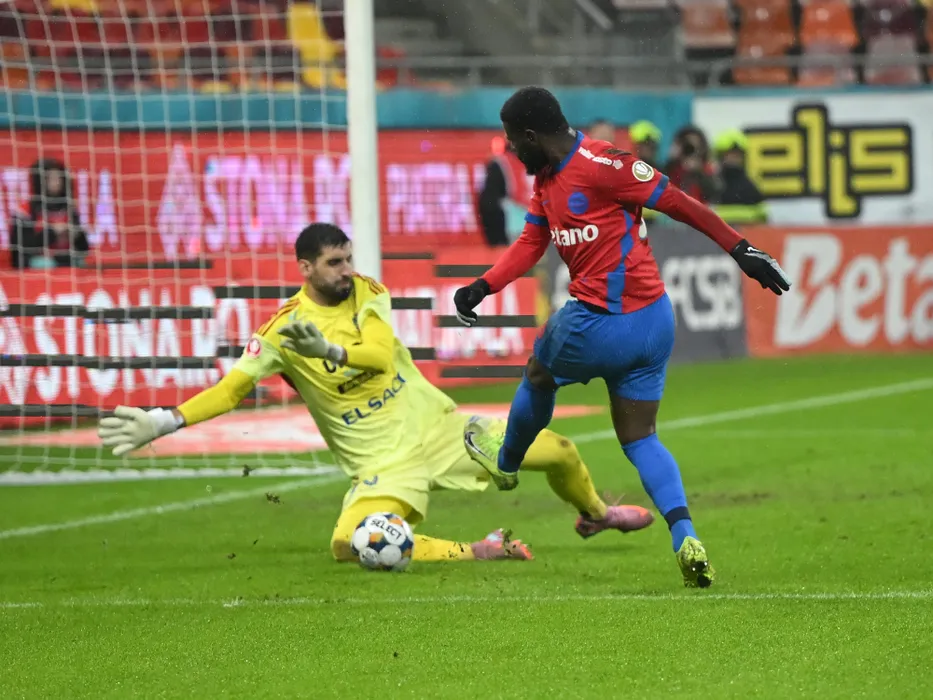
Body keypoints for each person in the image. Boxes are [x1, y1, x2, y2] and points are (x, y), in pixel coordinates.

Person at [99, 223, 654, 565]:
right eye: (334, 263)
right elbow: (230, 391)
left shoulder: (367, 291)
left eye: (348, 258)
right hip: (383, 464)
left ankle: (597, 513)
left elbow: (379, 355)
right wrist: (165, 420)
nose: (346, 270)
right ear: (305, 268)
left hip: (441, 431)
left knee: (559, 451)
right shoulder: (279, 332)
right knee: (347, 544)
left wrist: (328, 350)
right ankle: (478, 550)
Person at [453, 87, 790, 587]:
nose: (511, 151)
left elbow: (678, 203)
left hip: (599, 322)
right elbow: (532, 241)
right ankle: (685, 536)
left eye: (512, 141)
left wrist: (741, 249)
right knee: (640, 437)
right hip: (653, 325)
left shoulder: (604, 165)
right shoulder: (547, 178)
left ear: (531, 135)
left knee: (539, 372)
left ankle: (505, 463)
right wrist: (485, 285)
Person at [10, 158, 89, 269]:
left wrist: (75, 234)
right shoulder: (26, 210)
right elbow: (20, 249)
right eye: (51, 178)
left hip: (65, 261)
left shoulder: (69, 208)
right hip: (37, 263)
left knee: (80, 263)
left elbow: (84, 249)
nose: (56, 182)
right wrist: (52, 232)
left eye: (59, 178)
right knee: (47, 264)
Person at [711, 129, 768, 225]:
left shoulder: (751, 186)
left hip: (747, 232)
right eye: (729, 154)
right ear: (720, 156)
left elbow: (762, 216)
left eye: (737, 155)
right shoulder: (712, 185)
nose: (734, 159)